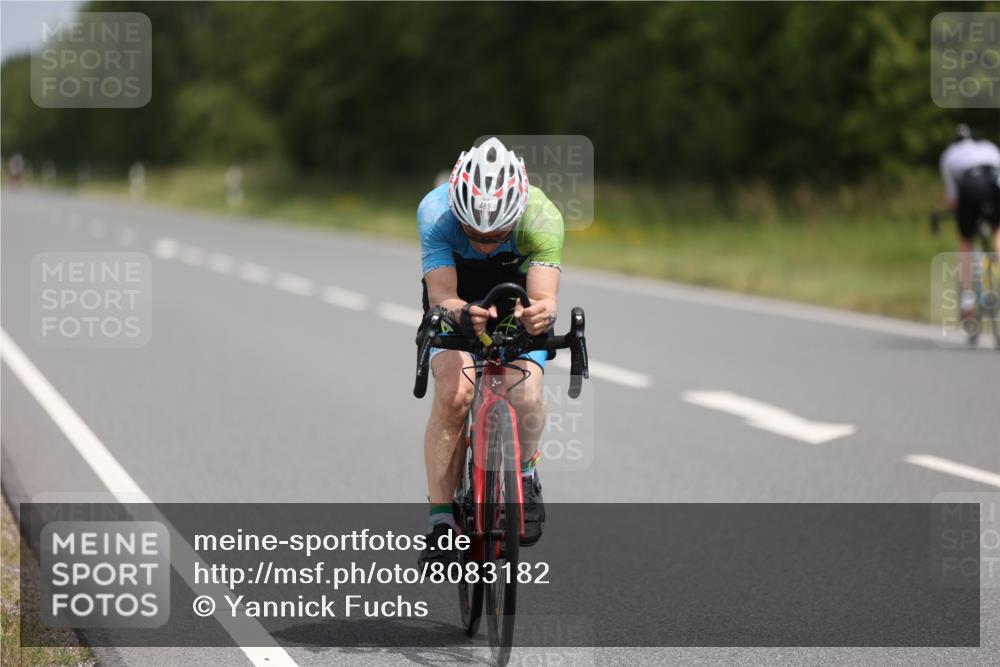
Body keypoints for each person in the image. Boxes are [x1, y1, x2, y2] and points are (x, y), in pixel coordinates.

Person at [417, 137, 564, 565]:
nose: (483, 242)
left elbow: (544, 299)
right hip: (456, 298)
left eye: (497, 233)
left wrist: (540, 315)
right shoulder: (435, 212)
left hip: (513, 299)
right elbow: (441, 295)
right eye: (473, 231)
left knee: (528, 394)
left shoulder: (543, 217)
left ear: (516, 215)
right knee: (454, 395)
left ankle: (525, 474)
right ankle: (442, 521)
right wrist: (462, 315)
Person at [939, 123, 1000, 320]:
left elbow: (953, 200)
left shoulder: (949, 154)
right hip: (994, 183)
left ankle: (967, 300)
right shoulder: (990, 147)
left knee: (965, 239)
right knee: (997, 229)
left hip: (970, 185)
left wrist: (961, 214)